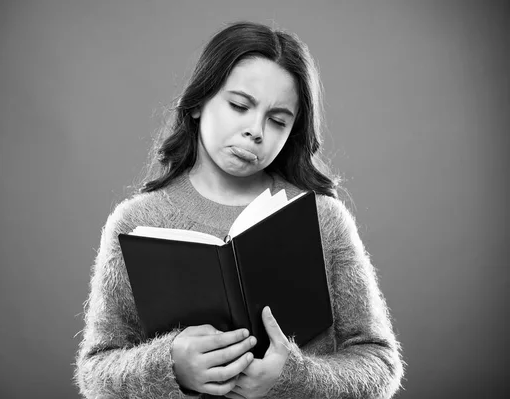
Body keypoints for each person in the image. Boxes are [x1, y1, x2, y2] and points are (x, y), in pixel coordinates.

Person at [73, 21, 404, 399]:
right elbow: (96, 371)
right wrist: (171, 365)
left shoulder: (323, 219)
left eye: (278, 120)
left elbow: (379, 363)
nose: (256, 131)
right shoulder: (134, 222)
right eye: (239, 106)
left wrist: (293, 379)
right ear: (198, 103)